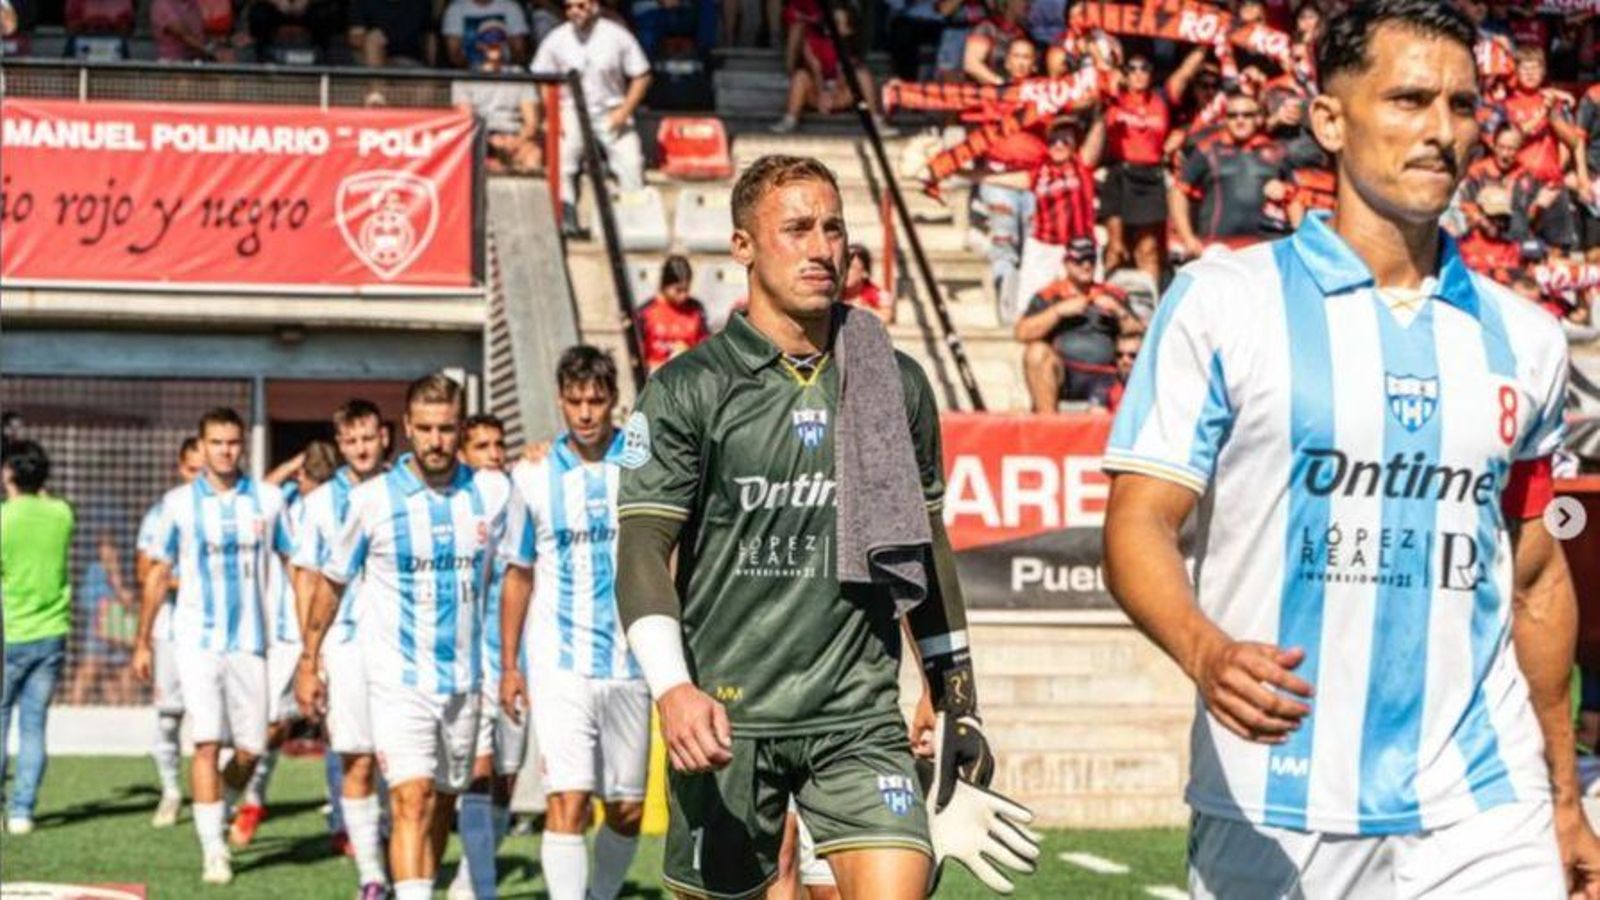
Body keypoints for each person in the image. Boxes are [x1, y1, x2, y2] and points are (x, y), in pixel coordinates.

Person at [1102, 2, 1600, 896]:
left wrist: (1565, 798)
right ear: (1329, 119)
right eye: (1409, 100)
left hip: (1487, 801)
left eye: (1460, 104)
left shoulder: (1525, 337)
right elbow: (1139, 524)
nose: (1441, 131)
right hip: (1277, 797)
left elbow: (1534, 577)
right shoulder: (1224, 303)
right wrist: (1205, 650)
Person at [613, 154, 1034, 898]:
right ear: (742, 246)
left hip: (858, 717)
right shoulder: (688, 389)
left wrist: (955, 696)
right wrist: (673, 689)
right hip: (727, 719)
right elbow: (643, 548)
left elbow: (925, 549)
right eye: (797, 228)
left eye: (833, 228)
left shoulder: (891, 379)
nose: (821, 248)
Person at [298, 375, 512, 900]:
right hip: (396, 680)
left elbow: (522, 571)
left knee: (442, 799)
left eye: (446, 429)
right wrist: (309, 658)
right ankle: (384, 881)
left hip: (465, 681)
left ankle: (417, 882)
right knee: (410, 799)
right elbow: (329, 583)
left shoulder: (493, 493)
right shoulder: (371, 500)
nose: (436, 439)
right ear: (407, 429)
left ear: (459, 430)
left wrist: (510, 661)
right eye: (426, 429)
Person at [498, 346, 648, 900]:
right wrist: (509, 665)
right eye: (575, 401)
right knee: (568, 798)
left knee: (627, 808)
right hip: (558, 663)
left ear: (613, 401)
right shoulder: (532, 472)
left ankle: (601, 894)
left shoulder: (640, 461)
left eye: (597, 401)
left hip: (631, 661)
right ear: (560, 401)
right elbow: (518, 574)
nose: (585, 413)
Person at [133, 407, 293, 885]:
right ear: (201, 447)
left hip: (251, 643)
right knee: (205, 743)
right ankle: (213, 851)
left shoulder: (267, 501)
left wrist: (303, 635)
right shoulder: (178, 503)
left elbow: (295, 561)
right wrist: (142, 640)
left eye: (232, 442)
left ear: (243, 445)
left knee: (251, 749)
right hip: (196, 642)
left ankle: (221, 802)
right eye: (216, 443)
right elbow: (157, 573)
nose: (225, 451)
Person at [291, 399, 392, 899]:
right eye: (351, 440)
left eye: (368, 437)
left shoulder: (404, 490)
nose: (361, 448)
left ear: (385, 437)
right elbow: (307, 581)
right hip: (347, 646)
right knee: (357, 759)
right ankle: (372, 876)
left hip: (401, 648)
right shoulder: (316, 504)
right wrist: (310, 658)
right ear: (339, 443)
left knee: (404, 763)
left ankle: (398, 853)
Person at [231, 440, 338, 848]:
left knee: (336, 728)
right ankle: (253, 800)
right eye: (314, 480)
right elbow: (256, 492)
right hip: (285, 633)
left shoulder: (342, 504)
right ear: (301, 477)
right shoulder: (283, 504)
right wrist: (292, 464)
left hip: (329, 630)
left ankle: (341, 820)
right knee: (272, 726)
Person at [450, 411, 514, 900]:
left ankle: (473, 874)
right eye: (481, 447)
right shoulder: (453, 508)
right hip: (468, 663)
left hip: (520, 659)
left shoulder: (518, 496)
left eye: (499, 445)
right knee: (478, 769)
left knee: (506, 779)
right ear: (462, 456)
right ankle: (481, 886)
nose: (493, 454)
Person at [1, 440, 74, 835]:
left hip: (11, 631)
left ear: (9, 474)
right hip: (52, 633)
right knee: (33, 725)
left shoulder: (4, 518)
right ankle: (22, 811)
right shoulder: (62, 513)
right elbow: (48, 500)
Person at [529, 0, 651, 236]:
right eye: (569, 6)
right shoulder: (557, 38)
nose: (574, 11)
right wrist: (552, 113)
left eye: (581, 6)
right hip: (571, 108)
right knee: (564, 160)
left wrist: (625, 110)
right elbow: (541, 76)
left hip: (611, 109)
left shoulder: (617, 35)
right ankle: (567, 219)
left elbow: (642, 75)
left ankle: (633, 223)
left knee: (630, 162)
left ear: (594, 6)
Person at [138, 436, 203, 829]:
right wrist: (189, 582)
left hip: (217, 636)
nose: (199, 477)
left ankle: (221, 799)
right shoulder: (164, 511)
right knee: (168, 718)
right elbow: (147, 572)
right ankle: (171, 791)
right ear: (181, 468)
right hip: (172, 631)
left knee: (218, 724)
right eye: (192, 469)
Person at [1015, 237, 1140, 413]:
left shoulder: (1112, 294)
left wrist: (1120, 312)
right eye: (1079, 260)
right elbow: (1021, 333)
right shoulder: (1050, 295)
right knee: (1036, 352)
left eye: (1090, 259)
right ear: (1066, 263)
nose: (1086, 265)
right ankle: (1047, 427)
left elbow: (1141, 333)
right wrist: (1057, 312)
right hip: (1066, 375)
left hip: (1108, 375)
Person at [1170, 89, 1300, 256]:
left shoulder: (1276, 151)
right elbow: (1178, 191)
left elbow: (1294, 197)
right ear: (1225, 119)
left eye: (1247, 115)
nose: (1240, 120)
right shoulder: (1207, 149)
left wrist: (1297, 238)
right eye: (1233, 115)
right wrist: (1187, 237)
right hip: (1216, 247)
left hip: (1263, 248)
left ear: (1258, 118)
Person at [1014, 117, 1106, 321]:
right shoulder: (1038, 172)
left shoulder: (1082, 164)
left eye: (1065, 140)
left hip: (1081, 248)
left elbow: (1099, 128)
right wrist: (952, 172)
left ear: (1075, 144)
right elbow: (992, 178)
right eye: (1053, 140)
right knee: (1031, 309)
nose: (1059, 145)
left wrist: (1101, 105)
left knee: (1089, 306)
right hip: (1045, 248)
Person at [1101, 53, 1177, 285]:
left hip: (1150, 175)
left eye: (1144, 68)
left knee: (1148, 249)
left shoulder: (1161, 99)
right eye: (1131, 69)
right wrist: (1109, 82)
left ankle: (1151, 308)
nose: (1138, 73)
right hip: (1119, 172)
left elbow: (1184, 75)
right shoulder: (1112, 98)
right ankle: (1107, 307)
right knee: (1116, 247)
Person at [451, 25, 542, 175]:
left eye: (499, 38)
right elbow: (465, 121)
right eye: (488, 39)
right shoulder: (464, 78)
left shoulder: (520, 75)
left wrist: (516, 141)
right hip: (481, 138)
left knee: (533, 156)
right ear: (480, 44)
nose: (494, 43)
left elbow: (531, 122)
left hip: (515, 135)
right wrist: (489, 141)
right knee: (476, 159)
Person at [636, 255, 711, 372]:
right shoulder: (646, 312)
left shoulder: (696, 310)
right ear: (665, 285)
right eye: (678, 290)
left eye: (687, 289)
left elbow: (707, 347)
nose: (683, 295)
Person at [441, 0, 528, 68]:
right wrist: (475, 71)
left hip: (506, 76)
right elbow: (454, 54)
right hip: (467, 76)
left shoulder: (511, 7)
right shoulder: (455, 9)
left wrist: (504, 69)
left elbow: (519, 52)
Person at [348, 0, 433, 67]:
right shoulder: (364, 2)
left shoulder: (421, 3)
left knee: (426, 85)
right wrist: (371, 37)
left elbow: (430, 35)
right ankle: (377, 87)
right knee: (373, 40)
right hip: (371, 58)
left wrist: (432, 68)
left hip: (407, 60)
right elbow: (354, 38)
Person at [842, 243, 894, 325]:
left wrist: (862, 308)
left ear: (864, 273)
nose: (845, 272)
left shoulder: (879, 295)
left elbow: (886, 318)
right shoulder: (831, 292)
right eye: (843, 266)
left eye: (851, 267)